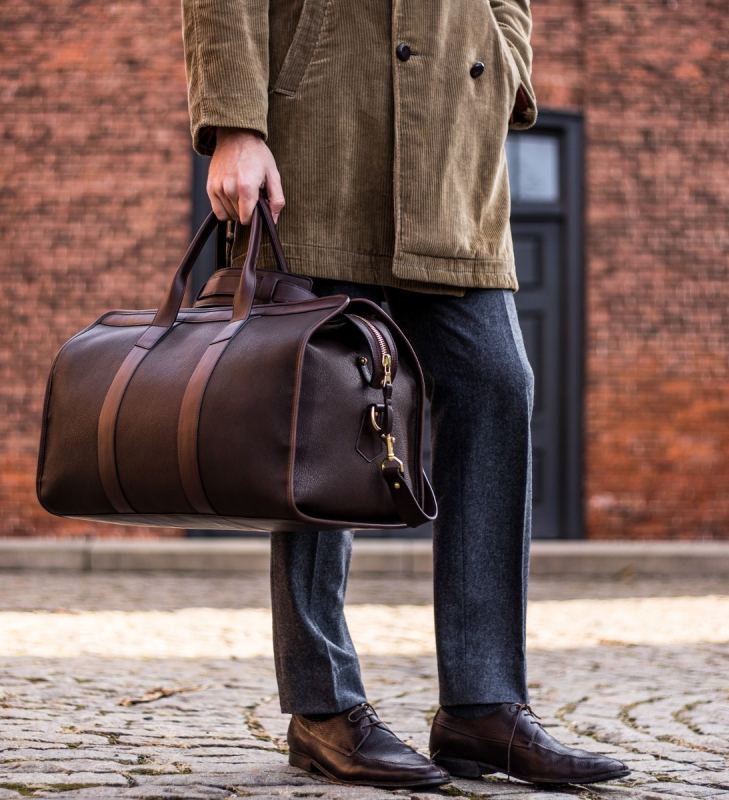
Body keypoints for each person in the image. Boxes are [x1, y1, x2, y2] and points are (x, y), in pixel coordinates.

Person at [181, 0, 630, 789]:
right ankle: (322, 708)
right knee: (320, 411)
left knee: (498, 385)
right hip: (323, 131)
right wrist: (232, 122)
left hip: (452, 145)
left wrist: (507, 62)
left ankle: (483, 708)